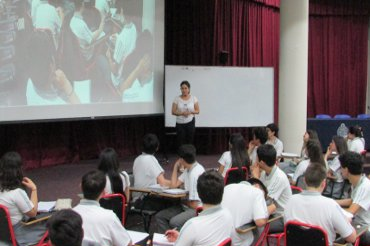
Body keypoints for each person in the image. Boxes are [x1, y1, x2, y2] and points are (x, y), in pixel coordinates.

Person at [285, 162, 356, 246]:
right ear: (323, 183)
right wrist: (346, 221)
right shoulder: (330, 205)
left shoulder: (290, 200)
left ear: (304, 180)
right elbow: (351, 238)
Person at [165, 170, 233, 246]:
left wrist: (185, 235)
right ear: (222, 191)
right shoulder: (228, 215)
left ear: (199, 194)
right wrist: (182, 237)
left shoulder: (192, 226)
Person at [73, 170, 132, 246]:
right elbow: (127, 244)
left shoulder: (70, 215)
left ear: (81, 187)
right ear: (104, 192)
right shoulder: (109, 217)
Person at [155, 144, 205, 233]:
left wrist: (182, 201)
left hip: (196, 209)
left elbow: (194, 205)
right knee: (160, 216)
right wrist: (175, 167)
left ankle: (180, 240)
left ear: (181, 159)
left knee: (175, 222)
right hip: (186, 205)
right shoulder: (189, 169)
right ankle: (168, 240)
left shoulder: (195, 173)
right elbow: (174, 185)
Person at [0, 152, 47, 246]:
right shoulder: (17, 192)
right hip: (18, 235)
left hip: (3, 233)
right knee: (54, 223)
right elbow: (32, 213)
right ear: (19, 170)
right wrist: (34, 189)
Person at [26, 29, 80, 105]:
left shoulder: (29, 83)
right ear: (51, 65)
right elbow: (81, 111)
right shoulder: (60, 107)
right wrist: (66, 85)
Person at [250, 144, 292, 233]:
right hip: (269, 211)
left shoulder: (279, 177)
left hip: (280, 216)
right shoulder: (264, 173)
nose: (255, 161)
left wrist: (256, 179)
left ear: (262, 162)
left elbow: (265, 200)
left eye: (257, 158)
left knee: (255, 228)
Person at [336, 151, 370, 246]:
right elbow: (352, 200)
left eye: (341, 168)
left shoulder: (365, 186)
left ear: (346, 170)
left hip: (364, 229)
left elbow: (351, 212)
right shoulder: (357, 181)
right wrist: (333, 202)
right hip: (357, 224)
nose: (340, 170)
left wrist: (333, 208)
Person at [221, 178, 268, 246]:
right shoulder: (257, 192)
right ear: (257, 186)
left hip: (221, 239)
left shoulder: (227, 187)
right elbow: (260, 222)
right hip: (239, 241)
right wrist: (270, 209)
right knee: (260, 228)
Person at [132, 133, 172, 211]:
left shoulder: (137, 159)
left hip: (137, 199)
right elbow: (162, 182)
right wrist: (178, 184)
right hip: (145, 200)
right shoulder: (150, 159)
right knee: (174, 204)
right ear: (157, 147)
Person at [172, 81, 200, 148]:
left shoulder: (194, 98)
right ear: (180, 89)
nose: (184, 90)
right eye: (182, 88)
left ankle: (189, 157)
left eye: (185, 88)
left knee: (190, 141)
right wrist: (182, 113)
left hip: (190, 122)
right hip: (180, 123)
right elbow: (173, 111)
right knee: (180, 142)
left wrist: (190, 112)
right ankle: (181, 157)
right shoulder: (177, 99)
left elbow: (197, 111)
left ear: (189, 89)